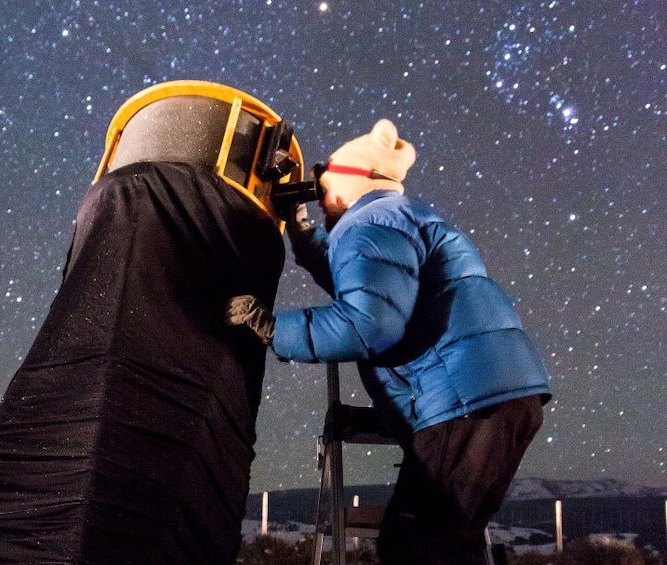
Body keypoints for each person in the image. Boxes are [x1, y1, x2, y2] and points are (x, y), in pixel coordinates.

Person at [226, 119, 552, 565]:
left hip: (463, 402)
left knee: (417, 546)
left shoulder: (372, 224)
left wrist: (270, 327)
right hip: (491, 394)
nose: (319, 199)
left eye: (322, 186)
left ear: (353, 180)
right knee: (449, 546)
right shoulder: (396, 218)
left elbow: (368, 324)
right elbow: (369, 283)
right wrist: (301, 233)